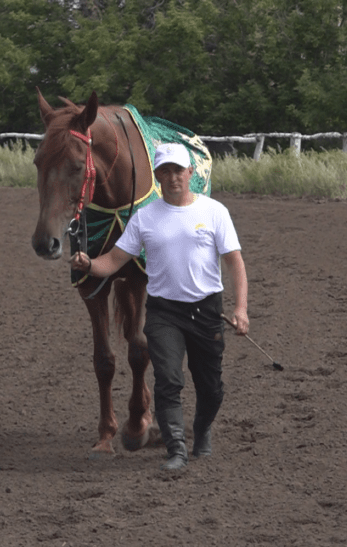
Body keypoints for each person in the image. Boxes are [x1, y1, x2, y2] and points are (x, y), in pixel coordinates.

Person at [70, 142, 249, 471]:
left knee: (211, 387)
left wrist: (240, 309)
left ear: (190, 173)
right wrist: (88, 265)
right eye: (165, 172)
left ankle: (203, 427)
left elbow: (235, 263)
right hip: (165, 312)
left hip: (206, 310)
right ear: (157, 176)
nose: (172, 177)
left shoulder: (214, 212)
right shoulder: (144, 218)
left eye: (178, 170)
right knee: (168, 380)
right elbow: (113, 261)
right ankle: (177, 449)